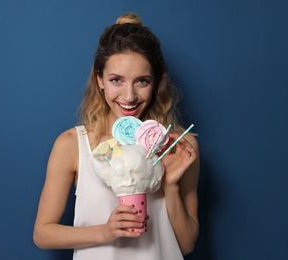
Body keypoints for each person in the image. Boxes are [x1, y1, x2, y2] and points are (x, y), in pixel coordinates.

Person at [33, 13, 200, 260]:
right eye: (116, 80)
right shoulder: (72, 145)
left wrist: (170, 186)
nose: (129, 96)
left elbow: (186, 245)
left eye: (142, 81)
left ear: (155, 83)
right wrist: (104, 232)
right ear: (99, 79)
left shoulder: (179, 147)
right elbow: (42, 234)